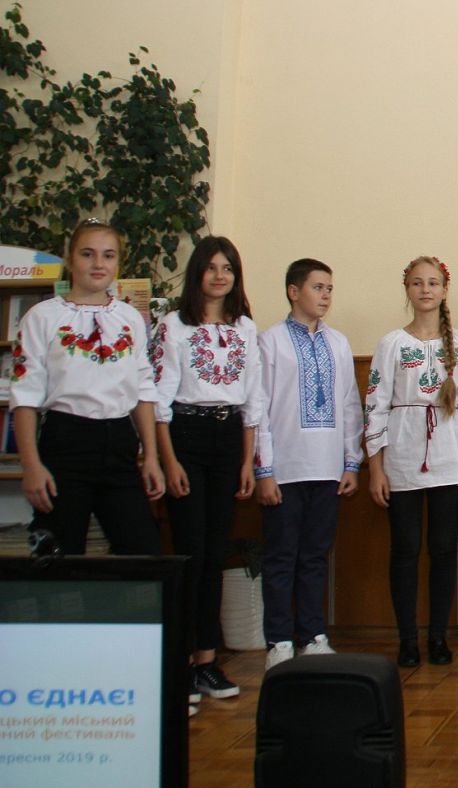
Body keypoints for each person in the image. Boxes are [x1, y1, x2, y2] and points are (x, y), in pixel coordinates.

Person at [151, 236, 264, 707]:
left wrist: (247, 460)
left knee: (216, 552)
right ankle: (180, 662)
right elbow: (159, 400)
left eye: (228, 268)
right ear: (197, 272)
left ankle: (207, 660)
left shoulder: (244, 328)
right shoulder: (173, 326)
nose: (220, 276)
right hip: (186, 436)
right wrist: (168, 460)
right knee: (191, 553)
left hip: (228, 437)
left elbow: (253, 398)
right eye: (212, 267)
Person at [13, 219, 163, 560]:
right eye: (87, 254)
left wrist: (151, 457)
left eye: (108, 255)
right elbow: (25, 397)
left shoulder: (129, 318)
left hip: (120, 444)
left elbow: (143, 391)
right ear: (70, 260)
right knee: (58, 558)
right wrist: (31, 465)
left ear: (118, 263)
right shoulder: (42, 317)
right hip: (66, 442)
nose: (98, 264)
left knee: (143, 554)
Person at [365, 256, 458, 667]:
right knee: (406, 549)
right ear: (407, 289)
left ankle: (437, 637)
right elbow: (375, 405)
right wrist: (375, 467)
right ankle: (407, 639)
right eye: (417, 283)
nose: (425, 289)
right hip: (402, 455)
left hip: (450, 456)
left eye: (433, 282)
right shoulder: (392, 343)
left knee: (444, 549)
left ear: (444, 289)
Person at [254, 258, 362, 671]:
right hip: (284, 469)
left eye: (329, 289)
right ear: (293, 291)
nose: (326, 296)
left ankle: (313, 635)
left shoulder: (338, 343)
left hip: (327, 467)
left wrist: (351, 462)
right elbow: (259, 409)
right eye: (318, 287)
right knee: (281, 557)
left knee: (315, 556)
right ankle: (279, 639)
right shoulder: (271, 341)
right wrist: (264, 470)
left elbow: (350, 404)